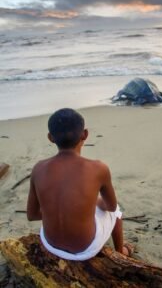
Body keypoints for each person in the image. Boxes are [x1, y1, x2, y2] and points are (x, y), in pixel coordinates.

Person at [27, 108, 133, 260]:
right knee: (116, 212)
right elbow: (110, 206)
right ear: (85, 134)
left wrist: (58, 210)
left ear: (50, 138)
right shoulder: (98, 168)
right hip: (84, 249)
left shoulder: (38, 168)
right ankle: (121, 252)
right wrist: (93, 203)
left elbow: (32, 215)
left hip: (50, 244)